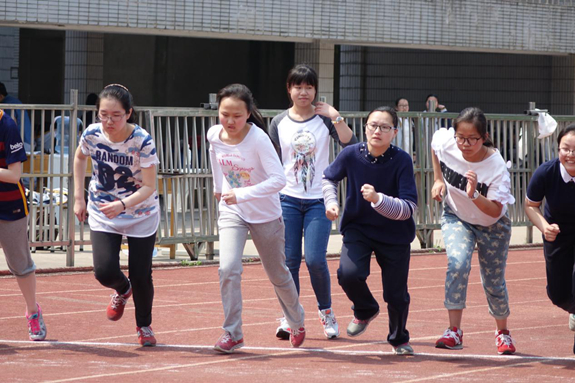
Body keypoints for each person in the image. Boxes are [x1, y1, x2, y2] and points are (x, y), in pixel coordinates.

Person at [208, 83, 306, 353]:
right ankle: (233, 333)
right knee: (228, 268)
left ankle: (296, 320)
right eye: (224, 114)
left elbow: (279, 180)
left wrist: (242, 193)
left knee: (277, 273)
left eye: (237, 115)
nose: (230, 121)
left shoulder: (259, 139)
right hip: (233, 211)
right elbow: (215, 157)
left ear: (248, 113)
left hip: (265, 213)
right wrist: (219, 189)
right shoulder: (214, 134)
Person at [269, 64, 356, 340]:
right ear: (289, 89)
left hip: (319, 199)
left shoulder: (325, 120)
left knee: (316, 259)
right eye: (297, 86)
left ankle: (326, 312)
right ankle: (291, 317)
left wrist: (336, 115)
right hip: (287, 199)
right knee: (290, 261)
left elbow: (351, 145)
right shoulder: (278, 122)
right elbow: (271, 160)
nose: (303, 92)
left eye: (308, 87)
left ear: (316, 90)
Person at [322, 106, 418, 355]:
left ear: (394, 132)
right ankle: (364, 308)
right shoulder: (351, 154)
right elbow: (328, 178)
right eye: (372, 125)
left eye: (384, 127)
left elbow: (408, 208)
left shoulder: (402, 160)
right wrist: (331, 202)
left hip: (395, 233)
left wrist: (377, 200)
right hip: (358, 228)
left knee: (396, 294)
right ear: (365, 127)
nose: (377, 131)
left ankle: (399, 339)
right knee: (348, 274)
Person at [73, 84, 160, 347]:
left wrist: (123, 204)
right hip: (103, 208)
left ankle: (144, 325)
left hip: (140, 211)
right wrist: (79, 197)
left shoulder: (142, 140)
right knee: (103, 270)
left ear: (129, 113)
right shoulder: (91, 134)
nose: (109, 121)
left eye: (116, 115)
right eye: (103, 114)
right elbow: (79, 158)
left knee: (141, 274)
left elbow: (149, 185)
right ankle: (122, 289)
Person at [431, 107, 516, 355]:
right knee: (457, 264)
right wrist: (438, 179)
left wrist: (475, 195)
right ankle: (453, 331)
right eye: (460, 137)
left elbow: (494, 210)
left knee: (493, 282)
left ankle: (503, 332)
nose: (465, 144)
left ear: (485, 137)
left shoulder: (496, 166)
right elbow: (435, 148)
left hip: (492, 225)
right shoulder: (447, 142)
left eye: (472, 139)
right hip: (457, 215)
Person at [525, 124, 575, 354]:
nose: (571, 155)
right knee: (558, 293)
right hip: (557, 234)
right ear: (558, 149)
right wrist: (545, 228)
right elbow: (531, 206)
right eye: (566, 149)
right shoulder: (546, 172)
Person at [0, 109, 47, 341]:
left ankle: (32, 311)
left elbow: (14, 175)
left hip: (9, 206)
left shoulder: (7, 125)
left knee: (20, 264)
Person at [0, 82, 32, 150]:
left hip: (20, 144)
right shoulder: (13, 101)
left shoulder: (7, 105)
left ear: (1, 96)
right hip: (26, 142)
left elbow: (10, 125)